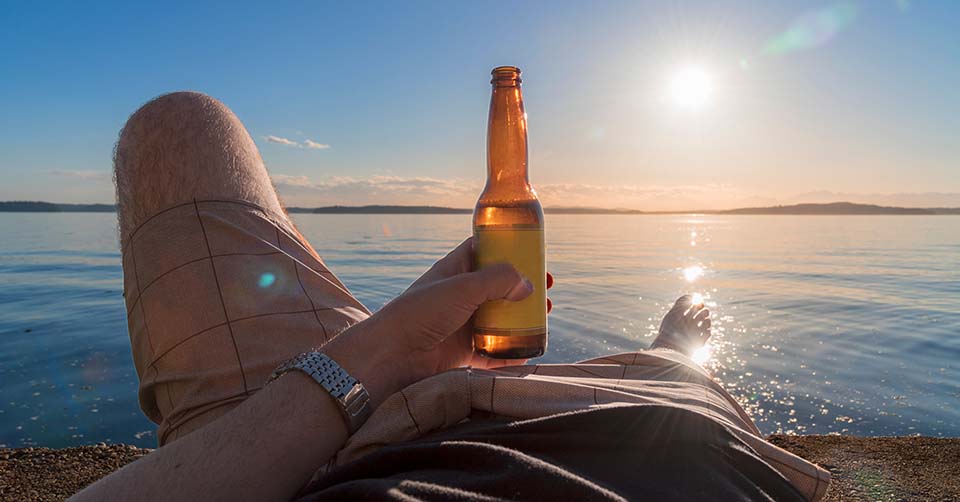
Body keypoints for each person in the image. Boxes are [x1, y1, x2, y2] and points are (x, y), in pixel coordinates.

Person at [73, 92, 828, 501]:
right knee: (680, 374)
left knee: (176, 129)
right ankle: (669, 351)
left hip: (324, 449)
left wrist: (377, 356)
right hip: (669, 435)